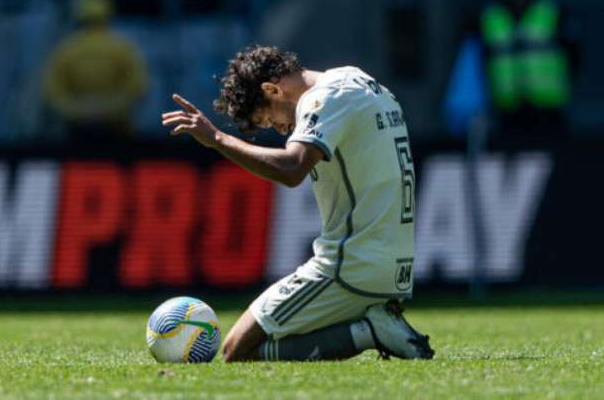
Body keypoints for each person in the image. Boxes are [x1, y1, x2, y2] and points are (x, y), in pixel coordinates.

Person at [161, 45, 434, 362]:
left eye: (269, 119)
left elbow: (292, 169)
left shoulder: (324, 99)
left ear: (272, 89)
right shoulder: (359, 81)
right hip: (394, 266)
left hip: (350, 266)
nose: (281, 129)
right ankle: (372, 323)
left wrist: (217, 139)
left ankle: (368, 331)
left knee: (235, 350)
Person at [479, 0, 575, 136]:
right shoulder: (492, 17)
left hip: (547, 103)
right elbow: (481, 58)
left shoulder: (550, 12)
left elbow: (574, 54)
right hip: (507, 105)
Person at [43, 0, 147, 143]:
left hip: (77, 130)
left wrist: (76, 110)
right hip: (117, 129)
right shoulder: (123, 48)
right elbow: (138, 86)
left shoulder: (66, 50)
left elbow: (52, 90)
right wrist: (112, 109)